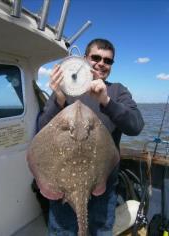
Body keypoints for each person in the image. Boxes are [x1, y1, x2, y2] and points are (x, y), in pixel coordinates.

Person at [38, 38, 144, 236]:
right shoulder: (66, 89)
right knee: (62, 231)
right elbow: (42, 130)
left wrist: (106, 100)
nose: (101, 63)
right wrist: (58, 99)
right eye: (96, 57)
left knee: (101, 231)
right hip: (62, 182)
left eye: (108, 60)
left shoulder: (117, 91)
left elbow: (136, 126)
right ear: (85, 59)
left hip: (102, 183)